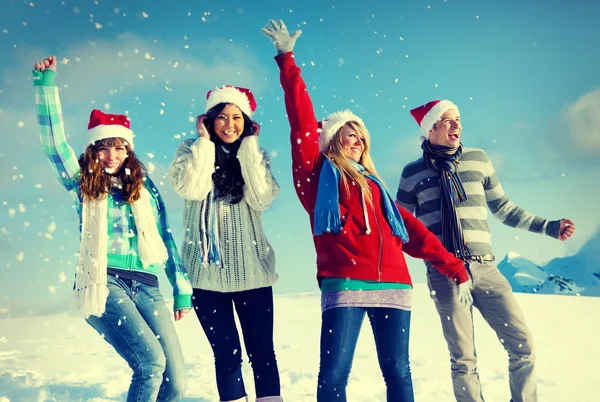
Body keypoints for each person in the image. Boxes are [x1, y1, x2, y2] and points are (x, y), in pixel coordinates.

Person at [262, 20, 474, 402]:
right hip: (345, 284)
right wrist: (287, 62)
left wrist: (455, 268)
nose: (357, 139)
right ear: (331, 140)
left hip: (394, 285)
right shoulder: (316, 178)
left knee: (398, 373)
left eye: (361, 134)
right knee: (333, 377)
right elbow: (300, 125)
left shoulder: (377, 189)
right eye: (349, 132)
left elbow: (413, 233)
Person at [32, 56, 193, 402]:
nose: (111, 155)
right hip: (105, 281)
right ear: (93, 151)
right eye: (102, 147)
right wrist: (46, 88)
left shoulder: (145, 189)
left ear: (128, 150)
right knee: (150, 364)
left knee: (177, 381)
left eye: (118, 147)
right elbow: (54, 147)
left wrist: (181, 288)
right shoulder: (83, 183)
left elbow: (164, 237)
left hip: (148, 286)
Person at [396, 99, 577, 402]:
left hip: (486, 269)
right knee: (463, 360)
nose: (457, 125)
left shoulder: (477, 160)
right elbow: (400, 227)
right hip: (445, 276)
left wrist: (549, 226)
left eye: (458, 119)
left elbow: (504, 209)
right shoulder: (412, 173)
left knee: (523, 346)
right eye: (449, 119)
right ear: (432, 128)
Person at [168, 85, 282, 402]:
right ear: (208, 120)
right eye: (221, 117)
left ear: (246, 121)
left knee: (263, 354)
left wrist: (249, 150)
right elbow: (190, 188)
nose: (229, 124)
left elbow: (261, 198)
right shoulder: (189, 150)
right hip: (205, 276)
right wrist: (204, 144)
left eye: (236, 117)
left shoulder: (256, 156)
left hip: (253, 273)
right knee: (227, 356)